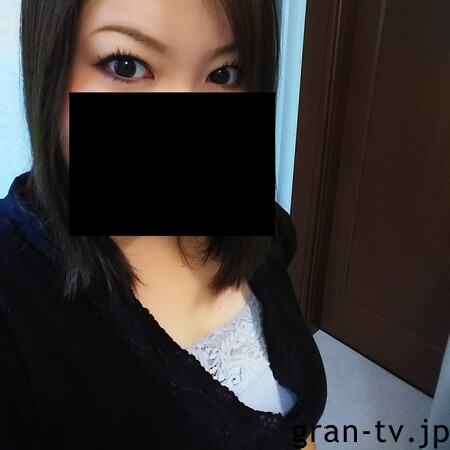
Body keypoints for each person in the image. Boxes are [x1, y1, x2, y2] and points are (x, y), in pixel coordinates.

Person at [0, 0, 327, 448]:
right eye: (127, 65)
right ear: (49, 62)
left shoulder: (261, 228)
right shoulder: (14, 306)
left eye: (223, 74)